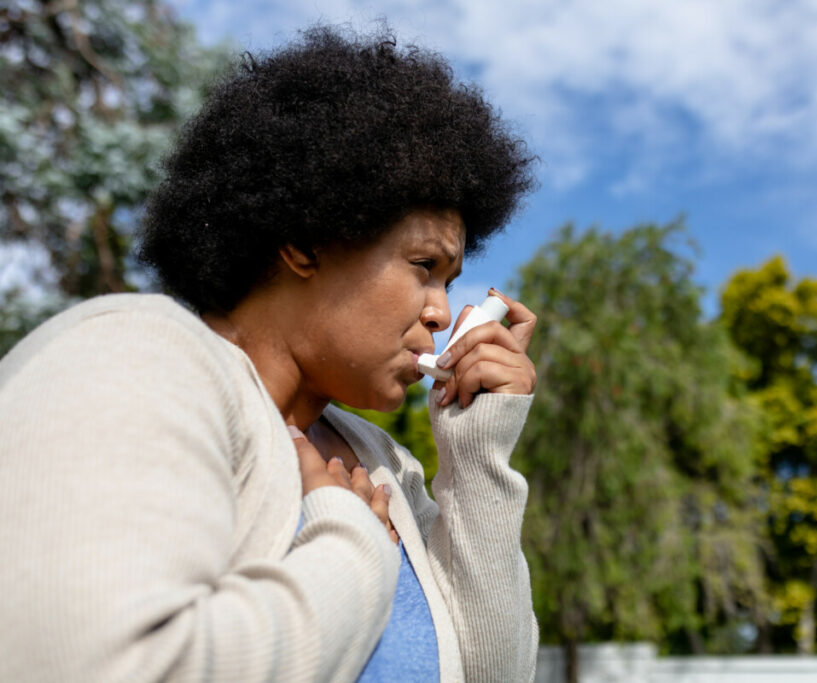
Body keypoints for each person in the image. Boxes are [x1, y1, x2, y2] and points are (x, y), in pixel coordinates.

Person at [0, 26, 538, 682]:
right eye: (423, 265)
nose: (440, 311)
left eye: (449, 282)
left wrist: (477, 453)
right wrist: (351, 546)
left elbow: (493, 673)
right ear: (305, 242)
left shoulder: (380, 462)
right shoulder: (131, 358)